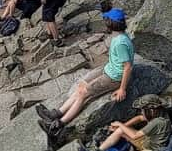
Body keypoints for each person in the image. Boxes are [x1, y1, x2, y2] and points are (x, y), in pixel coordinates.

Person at [36, 8, 134, 137]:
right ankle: (56, 113)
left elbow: (127, 67)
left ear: (111, 23)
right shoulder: (119, 36)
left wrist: (122, 89)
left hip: (114, 77)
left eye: (106, 19)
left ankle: (57, 125)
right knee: (81, 85)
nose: (104, 21)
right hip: (109, 69)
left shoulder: (120, 42)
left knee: (83, 93)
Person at [78, 95, 172, 151]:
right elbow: (139, 118)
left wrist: (120, 124)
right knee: (120, 130)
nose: (142, 113)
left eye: (143, 110)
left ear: (152, 110)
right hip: (148, 141)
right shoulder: (160, 112)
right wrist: (124, 126)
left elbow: (135, 136)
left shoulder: (158, 122)